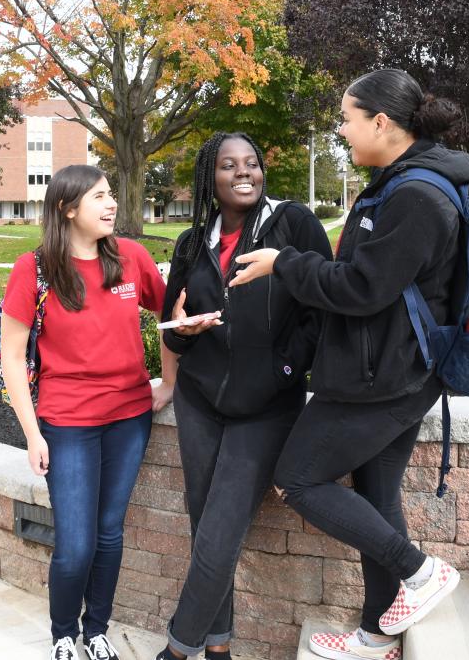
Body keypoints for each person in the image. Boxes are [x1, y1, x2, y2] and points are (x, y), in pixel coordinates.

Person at [230, 70, 469, 659]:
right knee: (376, 495)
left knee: (300, 478)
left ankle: (421, 573)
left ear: (381, 122)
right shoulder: (404, 183)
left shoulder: (417, 195)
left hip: (381, 377)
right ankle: (375, 638)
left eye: (346, 118)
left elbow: (363, 288)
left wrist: (282, 263)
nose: (341, 130)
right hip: (395, 367)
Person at [153, 132, 333, 660]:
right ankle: (219, 648)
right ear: (210, 177)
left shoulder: (292, 224)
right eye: (229, 166)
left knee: (220, 531)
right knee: (203, 522)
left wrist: (285, 367)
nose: (243, 173)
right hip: (199, 400)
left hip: (265, 405)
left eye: (251, 163)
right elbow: (169, 325)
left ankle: (176, 649)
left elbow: (321, 306)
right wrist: (181, 331)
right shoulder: (192, 243)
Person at [0, 164, 178, 660]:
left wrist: (170, 381)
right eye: (99, 197)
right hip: (68, 422)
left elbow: (170, 317)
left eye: (111, 194)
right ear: (67, 208)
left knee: (108, 533)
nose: (111, 204)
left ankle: (96, 628)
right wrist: (34, 435)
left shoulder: (131, 257)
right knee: (76, 544)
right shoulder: (33, 269)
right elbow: (12, 356)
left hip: (128, 417)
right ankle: (62, 635)